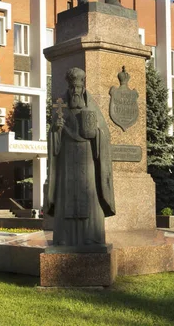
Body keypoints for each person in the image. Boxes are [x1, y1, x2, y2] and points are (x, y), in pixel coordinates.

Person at [47, 68, 115, 247]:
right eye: (72, 88)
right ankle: (64, 237)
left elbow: (105, 136)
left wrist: (96, 134)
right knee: (66, 196)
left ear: (83, 87)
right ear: (69, 88)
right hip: (67, 160)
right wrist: (57, 129)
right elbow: (53, 138)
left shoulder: (92, 108)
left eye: (78, 87)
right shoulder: (61, 108)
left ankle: (91, 236)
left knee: (89, 194)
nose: (75, 91)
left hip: (87, 160)